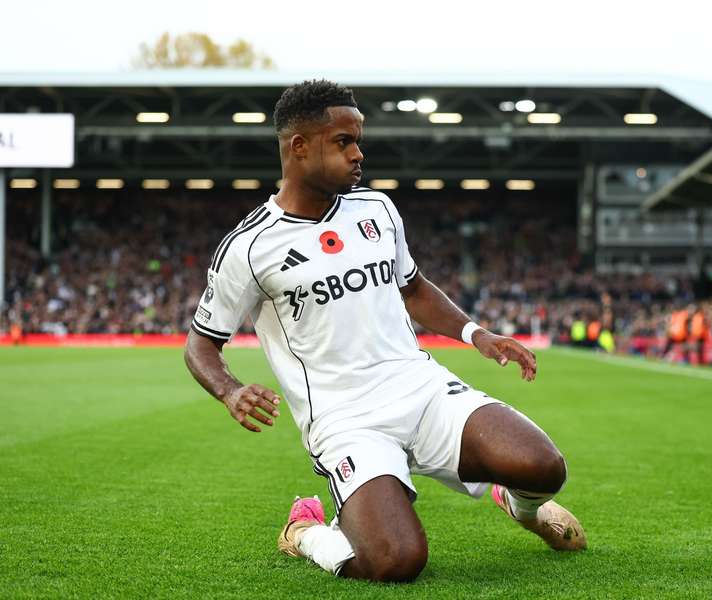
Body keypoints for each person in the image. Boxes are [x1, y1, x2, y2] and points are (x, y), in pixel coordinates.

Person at [183, 80, 585, 584]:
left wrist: (476, 334)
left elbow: (412, 288)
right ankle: (305, 532)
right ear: (299, 146)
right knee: (395, 562)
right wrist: (229, 390)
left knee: (544, 467)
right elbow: (201, 343)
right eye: (343, 142)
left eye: (358, 140)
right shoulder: (249, 247)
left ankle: (522, 508)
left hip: (420, 389)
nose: (358, 154)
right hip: (345, 420)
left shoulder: (376, 209)